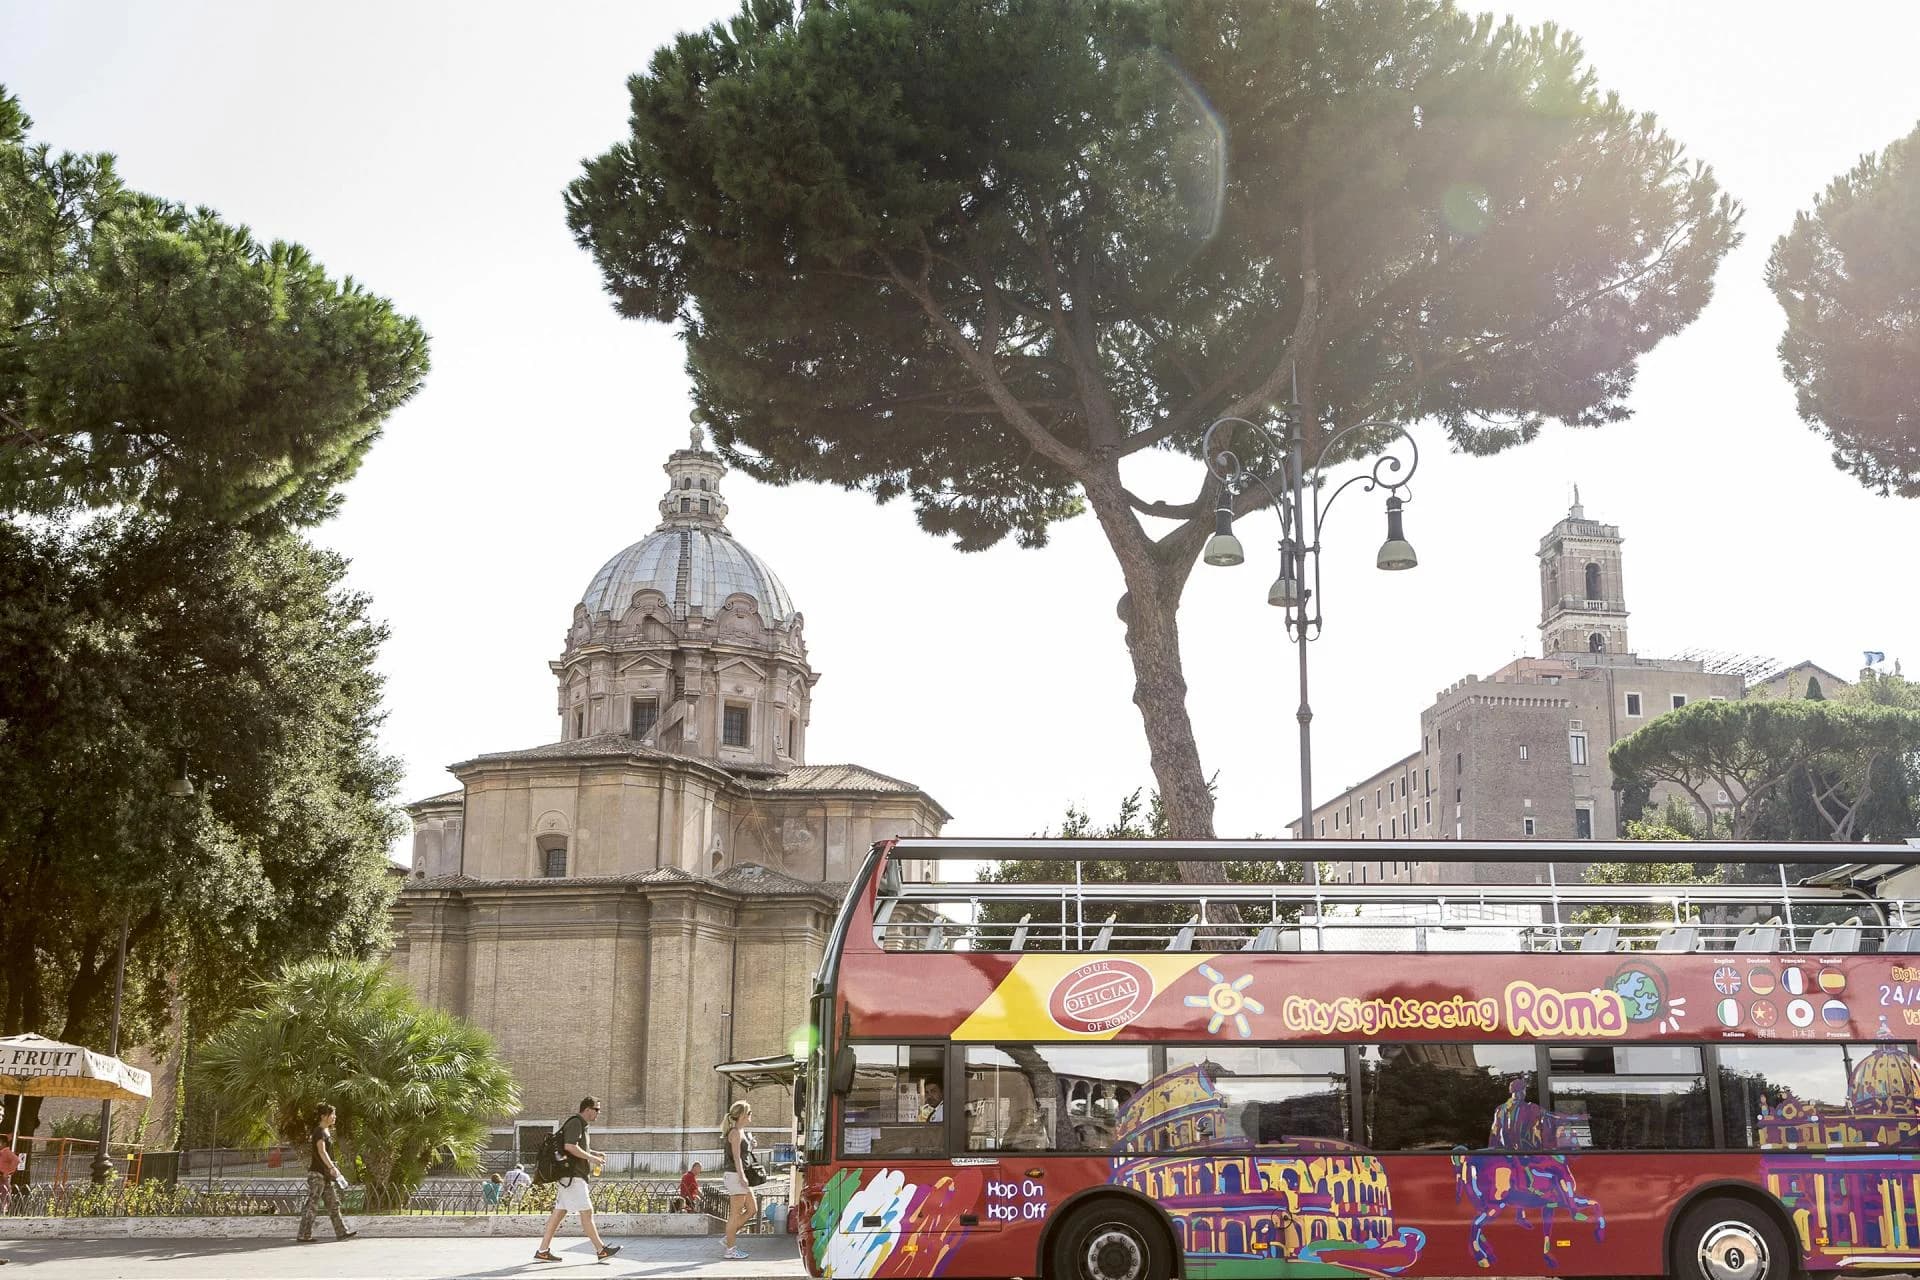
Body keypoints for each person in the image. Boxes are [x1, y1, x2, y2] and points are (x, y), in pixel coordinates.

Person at [534, 1097, 620, 1264]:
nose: (598, 1113)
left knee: (559, 1213)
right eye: (597, 1109)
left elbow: (577, 1146)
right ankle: (601, 1250)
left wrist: (594, 1154)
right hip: (573, 1177)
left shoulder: (582, 1126)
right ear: (587, 1109)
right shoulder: (576, 1122)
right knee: (587, 1213)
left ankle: (543, 1251)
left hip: (570, 1177)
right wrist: (592, 1159)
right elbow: (569, 1146)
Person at [296, 1103, 357, 1243]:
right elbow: (321, 1151)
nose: (334, 1117)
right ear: (323, 1116)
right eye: (332, 1114)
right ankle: (303, 1234)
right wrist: (332, 1168)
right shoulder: (319, 1132)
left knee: (333, 1204)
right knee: (312, 1204)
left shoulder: (326, 1131)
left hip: (326, 1176)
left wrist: (332, 1170)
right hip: (317, 1175)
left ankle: (342, 1232)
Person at [720, 1101, 757, 1262]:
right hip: (735, 1176)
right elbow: (736, 1158)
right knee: (735, 1214)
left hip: (738, 1175)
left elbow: (742, 1155)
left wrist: (752, 1146)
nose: (751, 1116)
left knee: (752, 1209)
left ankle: (729, 1236)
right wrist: (742, 1177)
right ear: (742, 1115)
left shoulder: (742, 1132)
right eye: (749, 1113)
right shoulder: (735, 1133)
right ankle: (730, 1250)